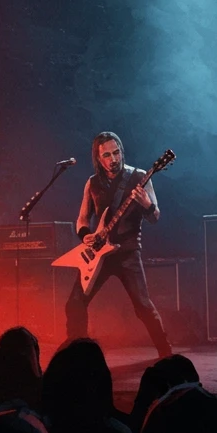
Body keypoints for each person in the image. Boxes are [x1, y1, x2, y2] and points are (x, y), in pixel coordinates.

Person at [68, 131, 172, 357]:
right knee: (75, 303)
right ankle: (75, 358)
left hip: (127, 253)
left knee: (143, 307)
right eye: (106, 155)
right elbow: (82, 219)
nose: (113, 159)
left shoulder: (140, 176)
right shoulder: (92, 183)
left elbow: (155, 217)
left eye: (116, 153)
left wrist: (146, 203)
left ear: (122, 151)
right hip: (98, 255)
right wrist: (85, 234)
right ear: (98, 158)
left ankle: (166, 355)